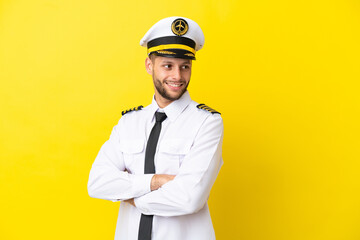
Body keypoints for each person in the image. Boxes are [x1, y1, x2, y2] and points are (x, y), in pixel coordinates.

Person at [87, 16, 224, 240]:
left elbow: (189, 198)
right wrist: (154, 182)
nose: (177, 76)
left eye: (185, 67)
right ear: (149, 66)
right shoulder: (128, 123)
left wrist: (129, 196)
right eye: (168, 66)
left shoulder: (207, 122)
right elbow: (97, 183)